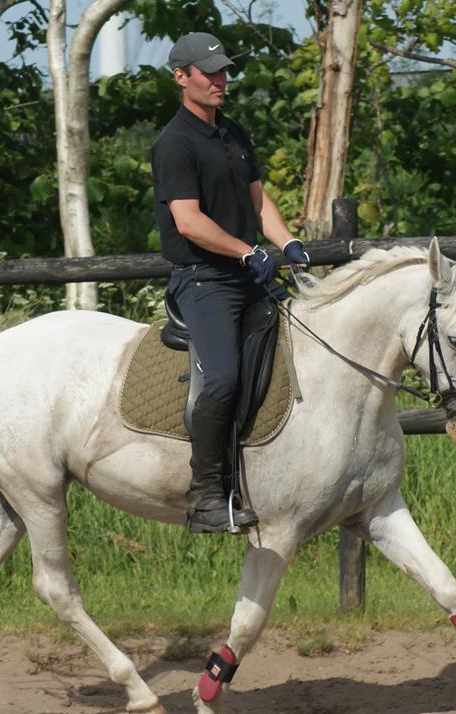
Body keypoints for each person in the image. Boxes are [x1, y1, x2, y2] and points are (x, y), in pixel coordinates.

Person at [151, 31, 311, 535]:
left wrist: (288, 244)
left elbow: (258, 203)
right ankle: (206, 495)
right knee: (221, 378)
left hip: (249, 273)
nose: (221, 80)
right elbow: (189, 222)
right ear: (181, 77)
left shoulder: (233, 132)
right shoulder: (174, 144)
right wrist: (247, 251)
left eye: (223, 71)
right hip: (205, 282)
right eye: (210, 72)